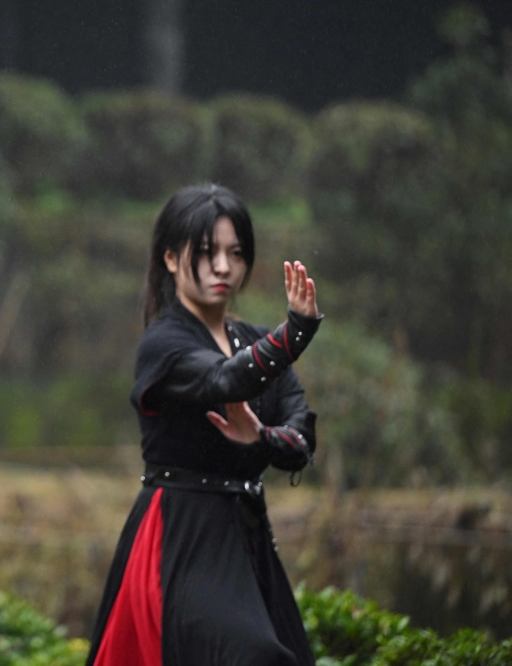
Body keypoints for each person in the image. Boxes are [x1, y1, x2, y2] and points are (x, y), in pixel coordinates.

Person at [86, 184, 323, 666]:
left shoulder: (254, 341)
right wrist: (293, 333)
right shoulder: (164, 343)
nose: (223, 267)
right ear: (171, 259)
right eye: (208, 252)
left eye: (236, 254)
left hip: (249, 533)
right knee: (253, 656)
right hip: (181, 535)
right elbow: (223, 378)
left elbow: (300, 438)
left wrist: (262, 438)